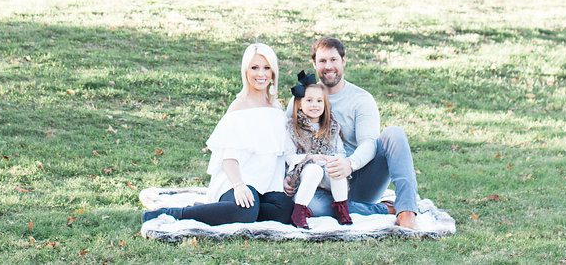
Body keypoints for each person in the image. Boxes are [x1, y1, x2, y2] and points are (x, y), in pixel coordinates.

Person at [142, 43, 294, 225]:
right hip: (239, 180)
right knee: (245, 212)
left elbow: (280, 152)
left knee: (284, 211)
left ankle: (215, 211)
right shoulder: (239, 107)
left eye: (266, 68)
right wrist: (239, 186)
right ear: (246, 71)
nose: (261, 74)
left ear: (273, 72)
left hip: (267, 184)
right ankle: (175, 213)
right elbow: (228, 158)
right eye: (255, 68)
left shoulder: (276, 108)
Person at [287, 37, 421, 229]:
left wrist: (350, 164)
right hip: (317, 181)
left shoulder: (361, 99)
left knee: (394, 134)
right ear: (314, 64)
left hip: (359, 178)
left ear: (344, 61)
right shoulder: (301, 99)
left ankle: (406, 210)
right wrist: (288, 177)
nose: (328, 66)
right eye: (322, 61)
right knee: (312, 207)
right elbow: (288, 139)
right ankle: (383, 210)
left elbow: (369, 143)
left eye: (333, 60)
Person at [284, 71, 352, 229]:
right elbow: (289, 156)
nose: (314, 105)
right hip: (303, 173)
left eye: (319, 101)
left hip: (327, 172)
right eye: (309, 100)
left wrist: (333, 159)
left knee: (336, 169)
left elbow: (341, 152)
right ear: (300, 103)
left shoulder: (332, 127)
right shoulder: (293, 128)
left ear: (325, 104)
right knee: (315, 170)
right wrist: (311, 158)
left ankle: (341, 208)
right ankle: (299, 211)